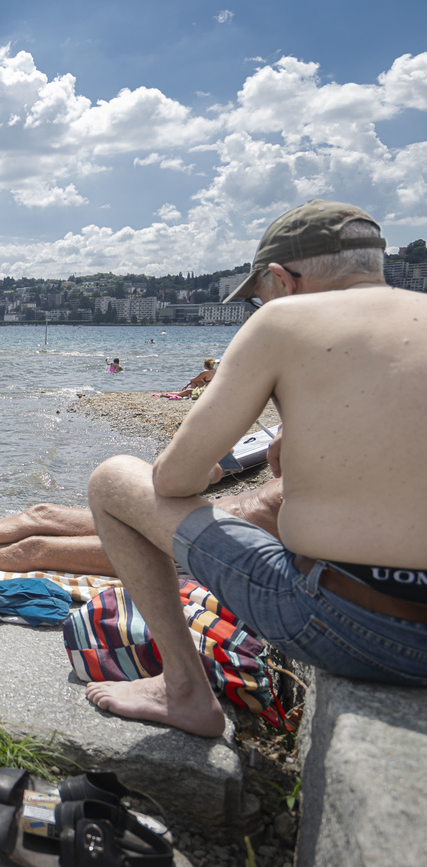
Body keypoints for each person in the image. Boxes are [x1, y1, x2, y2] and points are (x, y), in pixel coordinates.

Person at [86, 200, 427, 738]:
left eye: (256, 297)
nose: (256, 307)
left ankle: (181, 689)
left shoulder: (284, 320)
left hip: (352, 627)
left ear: (280, 279)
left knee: (112, 479)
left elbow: (172, 481)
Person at [0, 479, 282, 577]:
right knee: (43, 513)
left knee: (35, 549)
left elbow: (179, 476)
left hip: (204, 551)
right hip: (196, 516)